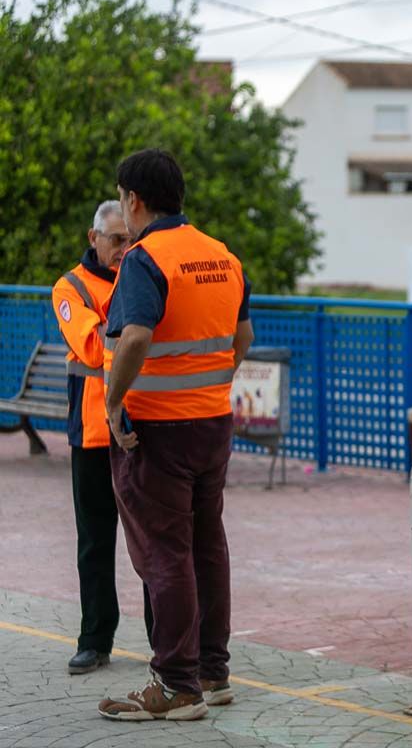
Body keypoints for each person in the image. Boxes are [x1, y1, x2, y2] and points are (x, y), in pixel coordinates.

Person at [97, 149, 254, 722]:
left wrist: (113, 403)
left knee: (166, 554)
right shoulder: (222, 256)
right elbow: (242, 337)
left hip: (157, 431)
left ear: (133, 200)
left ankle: (176, 684)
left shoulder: (145, 259)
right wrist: (208, 388)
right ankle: (213, 672)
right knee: (207, 545)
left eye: (121, 199)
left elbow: (134, 336)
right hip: (212, 424)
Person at [52, 201, 154, 675]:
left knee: (154, 542)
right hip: (93, 433)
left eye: (129, 240)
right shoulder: (70, 288)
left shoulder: (139, 275)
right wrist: (136, 321)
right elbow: (97, 345)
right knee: (95, 542)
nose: (124, 249)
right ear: (92, 238)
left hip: (138, 428)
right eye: (116, 241)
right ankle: (95, 639)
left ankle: (166, 642)